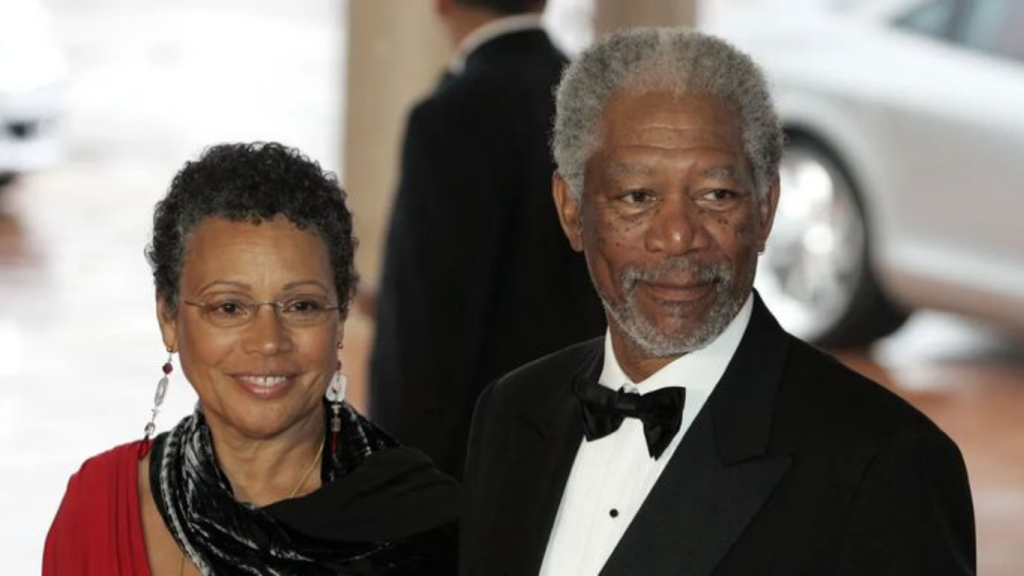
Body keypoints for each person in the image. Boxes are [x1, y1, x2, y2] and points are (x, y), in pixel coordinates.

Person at [460, 28, 976, 576]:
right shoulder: (511, 411)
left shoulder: (888, 463)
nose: (679, 236)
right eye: (638, 197)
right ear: (571, 210)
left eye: (716, 195)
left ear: (766, 208)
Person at [44, 143, 459, 575]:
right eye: (229, 307)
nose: (267, 341)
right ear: (168, 316)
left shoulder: (431, 530)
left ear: (340, 317)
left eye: (301, 306)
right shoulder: (97, 507)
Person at [369, 0, 605, 478]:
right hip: (591, 443)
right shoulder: (600, 102)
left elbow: (430, 335)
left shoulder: (453, 116)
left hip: (482, 463)